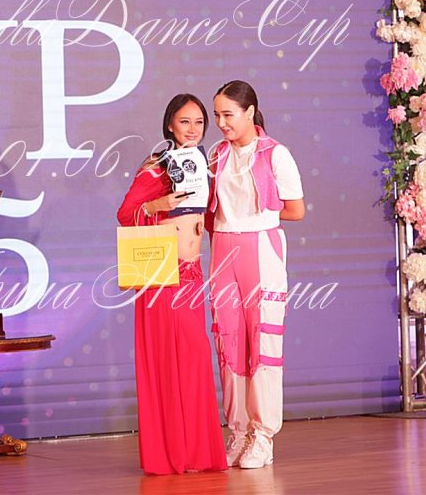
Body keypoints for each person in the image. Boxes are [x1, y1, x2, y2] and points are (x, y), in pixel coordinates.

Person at [116, 94, 229, 476]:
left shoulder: (203, 167)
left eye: (199, 122)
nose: (193, 129)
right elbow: (126, 213)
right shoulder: (156, 168)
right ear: (169, 125)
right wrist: (157, 205)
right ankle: (170, 454)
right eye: (185, 121)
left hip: (192, 274)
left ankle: (196, 453)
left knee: (194, 362)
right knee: (169, 362)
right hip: (163, 276)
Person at [206, 80, 305, 470]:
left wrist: (259, 214)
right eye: (217, 115)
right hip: (222, 250)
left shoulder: (275, 154)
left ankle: (263, 436)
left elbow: (296, 210)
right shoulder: (217, 154)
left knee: (262, 343)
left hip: (261, 248)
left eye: (228, 114)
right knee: (228, 343)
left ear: (249, 112)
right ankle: (239, 431)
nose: (221, 123)